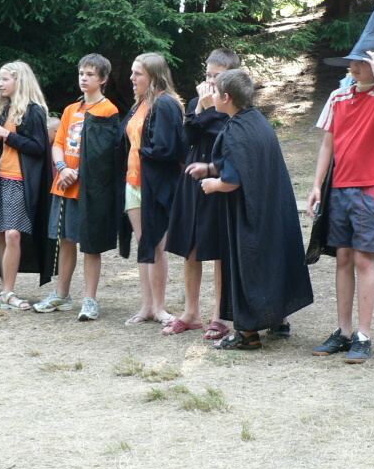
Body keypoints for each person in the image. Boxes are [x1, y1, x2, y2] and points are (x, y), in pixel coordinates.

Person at [307, 0, 374, 364]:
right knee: (343, 258)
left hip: (371, 187)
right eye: (352, 62)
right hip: (340, 187)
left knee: (365, 259)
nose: (354, 67)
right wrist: (317, 184)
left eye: (362, 62)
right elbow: (328, 144)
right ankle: (344, 331)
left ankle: (363, 335)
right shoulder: (338, 96)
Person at [187, 69, 313, 349]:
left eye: (215, 92)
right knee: (272, 261)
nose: (211, 95)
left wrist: (212, 184)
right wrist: (209, 167)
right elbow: (240, 161)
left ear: (226, 98)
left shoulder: (235, 131)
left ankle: (247, 335)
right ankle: (278, 320)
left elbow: (233, 180)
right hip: (272, 209)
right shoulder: (256, 120)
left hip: (250, 214)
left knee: (250, 265)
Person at [33, 54, 119, 320]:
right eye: (81, 73)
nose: (84, 78)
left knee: (91, 244)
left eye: (90, 74)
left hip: (90, 190)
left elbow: (104, 155)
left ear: (102, 79)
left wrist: (78, 173)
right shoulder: (71, 110)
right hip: (63, 185)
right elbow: (58, 143)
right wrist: (62, 169)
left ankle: (90, 300)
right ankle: (62, 295)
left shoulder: (108, 111)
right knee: (65, 240)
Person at [164, 48, 238, 338]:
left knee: (220, 249)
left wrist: (207, 111)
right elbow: (188, 138)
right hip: (193, 179)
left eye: (217, 77)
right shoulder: (198, 102)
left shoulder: (234, 103)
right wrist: (198, 110)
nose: (210, 82)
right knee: (190, 245)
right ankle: (191, 312)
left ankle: (221, 316)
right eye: (208, 75)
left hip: (220, 179)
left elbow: (224, 137)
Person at [0, 62, 53, 310]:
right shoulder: (5, 108)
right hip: (0, 177)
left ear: (20, 81)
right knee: (0, 233)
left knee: (12, 234)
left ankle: (8, 292)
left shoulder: (34, 111)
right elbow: (3, 146)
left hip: (21, 181)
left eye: (5, 79)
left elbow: (38, 148)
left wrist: (7, 135)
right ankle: (6, 292)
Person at [117, 53, 185, 326]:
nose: (132, 78)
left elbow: (168, 148)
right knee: (144, 243)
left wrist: (143, 153)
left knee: (157, 244)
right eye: (133, 73)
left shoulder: (165, 103)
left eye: (138, 74)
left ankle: (159, 308)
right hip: (133, 183)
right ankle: (146, 307)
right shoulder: (140, 104)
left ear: (154, 76)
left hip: (155, 185)